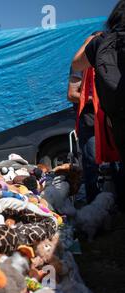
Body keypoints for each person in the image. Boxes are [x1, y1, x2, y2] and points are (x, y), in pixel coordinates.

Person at [72, 0, 125, 210]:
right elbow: (72, 91)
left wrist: (93, 42)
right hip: (93, 120)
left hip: (116, 119)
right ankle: (99, 206)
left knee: (117, 165)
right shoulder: (100, 47)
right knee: (94, 164)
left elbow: (76, 60)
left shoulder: (100, 44)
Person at [67, 65, 99, 204]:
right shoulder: (81, 64)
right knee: (92, 164)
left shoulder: (110, 58)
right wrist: (97, 98)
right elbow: (72, 95)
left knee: (115, 164)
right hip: (90, 121)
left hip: (110, 119)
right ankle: (94, 205)